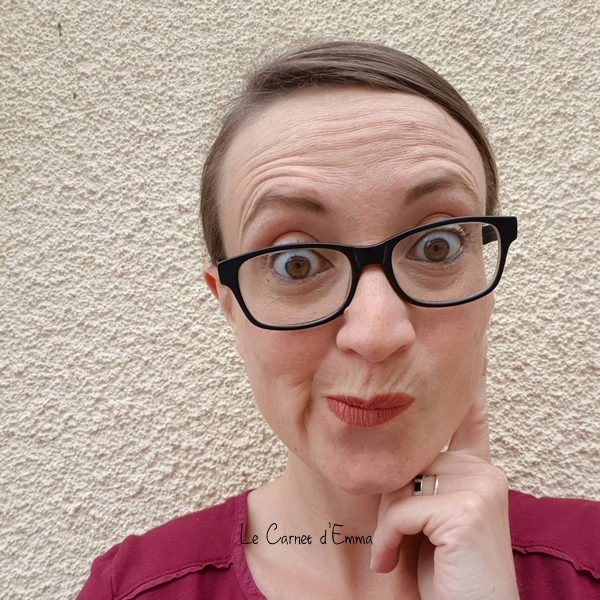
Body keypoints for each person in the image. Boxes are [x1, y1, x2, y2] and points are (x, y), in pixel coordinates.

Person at [77, 41, 599, 600]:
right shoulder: (134, 590)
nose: (376, 335)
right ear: (229, 305)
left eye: (438, 246)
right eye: (295, 262)